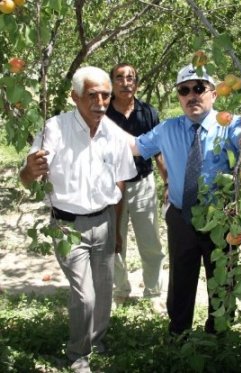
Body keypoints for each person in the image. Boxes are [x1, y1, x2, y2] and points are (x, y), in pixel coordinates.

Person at [123, 64, 241, 335]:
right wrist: (99, 123)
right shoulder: (167, 129)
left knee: (222, 281)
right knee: (180, 281)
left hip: (221, 220)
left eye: (199, 88)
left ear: (214, 94)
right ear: (179, 97)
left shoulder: (229, 123)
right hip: (181, 216)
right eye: (184, 90)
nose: (192, 95)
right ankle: (179, 335)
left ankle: (218, 335)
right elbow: (135, 147)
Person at [19, 66, 137, 373]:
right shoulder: (55, 129)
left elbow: (121, 182)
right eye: (92, 95)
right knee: (84, 295)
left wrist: (118, 228)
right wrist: (30, 171)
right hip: (67, 224)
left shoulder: (113, 133)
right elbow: (27, 177)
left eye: (105, 95)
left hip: (106, 220)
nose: (100, 101)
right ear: (75, 97)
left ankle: (97, 339)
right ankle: (77, 355)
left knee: (104, 288)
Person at [106, 63, 167, 307]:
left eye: (130, 78)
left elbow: (158, 151)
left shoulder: (148, 112)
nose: (125, 82)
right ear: (112, 83)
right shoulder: (103, 112)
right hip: (109, 187)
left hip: (143, 184)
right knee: (113, 239)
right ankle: (120, 290)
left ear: (137, 84)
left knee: (150, 240)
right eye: (119, 78)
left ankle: (153, 292)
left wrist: (168, 181)